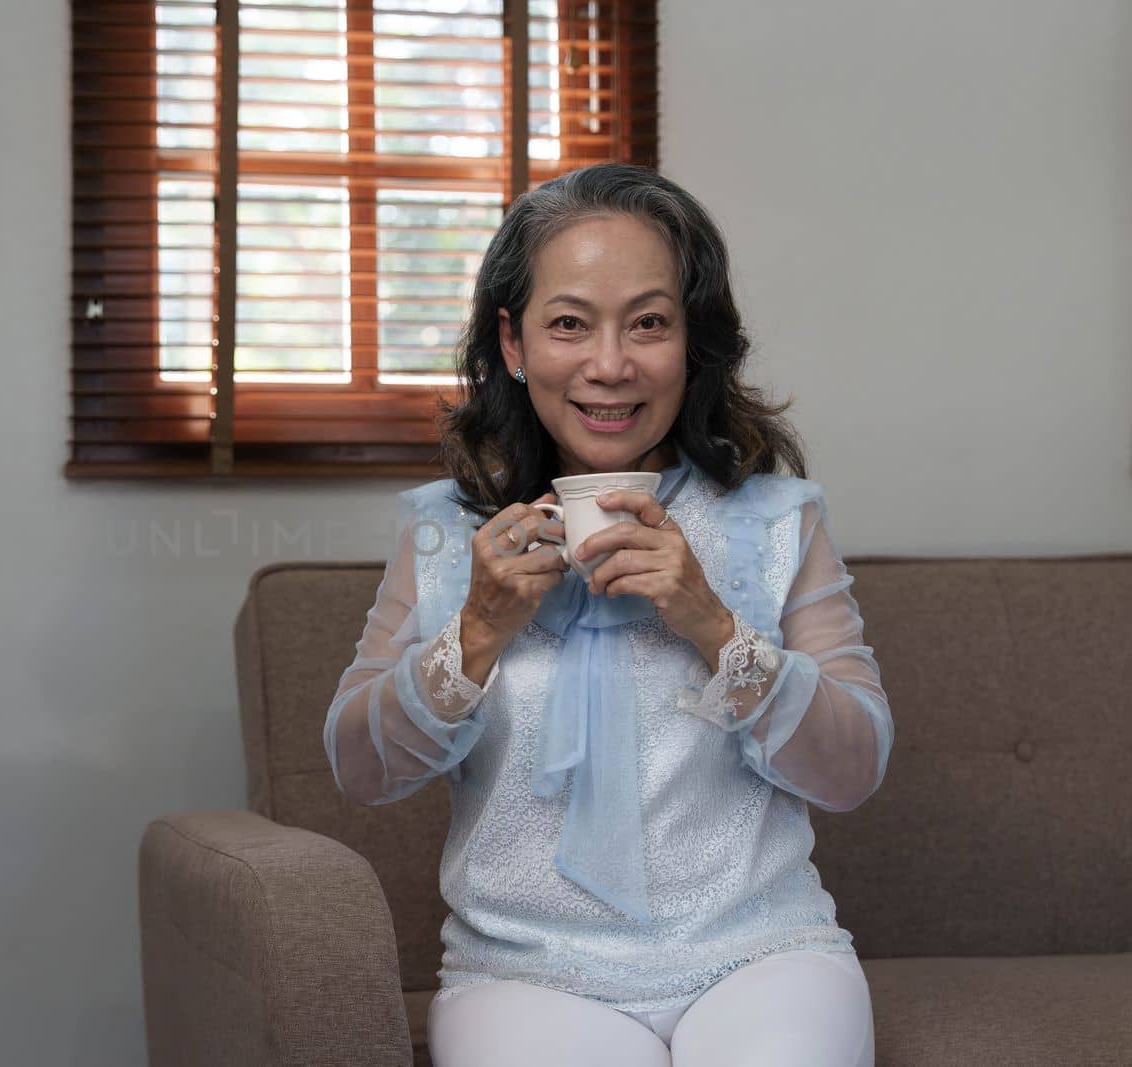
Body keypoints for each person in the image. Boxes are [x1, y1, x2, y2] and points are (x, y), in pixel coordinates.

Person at [321, 162, 893, 1067]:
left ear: (691, 341)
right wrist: (475, 633)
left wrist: (711, 621)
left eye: (650, 323)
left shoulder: (778, 520)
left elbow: (854, 768)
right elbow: (359, 767)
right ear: (513, 343)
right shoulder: (443, 531)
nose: (611, 364)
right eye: (569, 324)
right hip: (523, 973)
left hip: (762, 953)